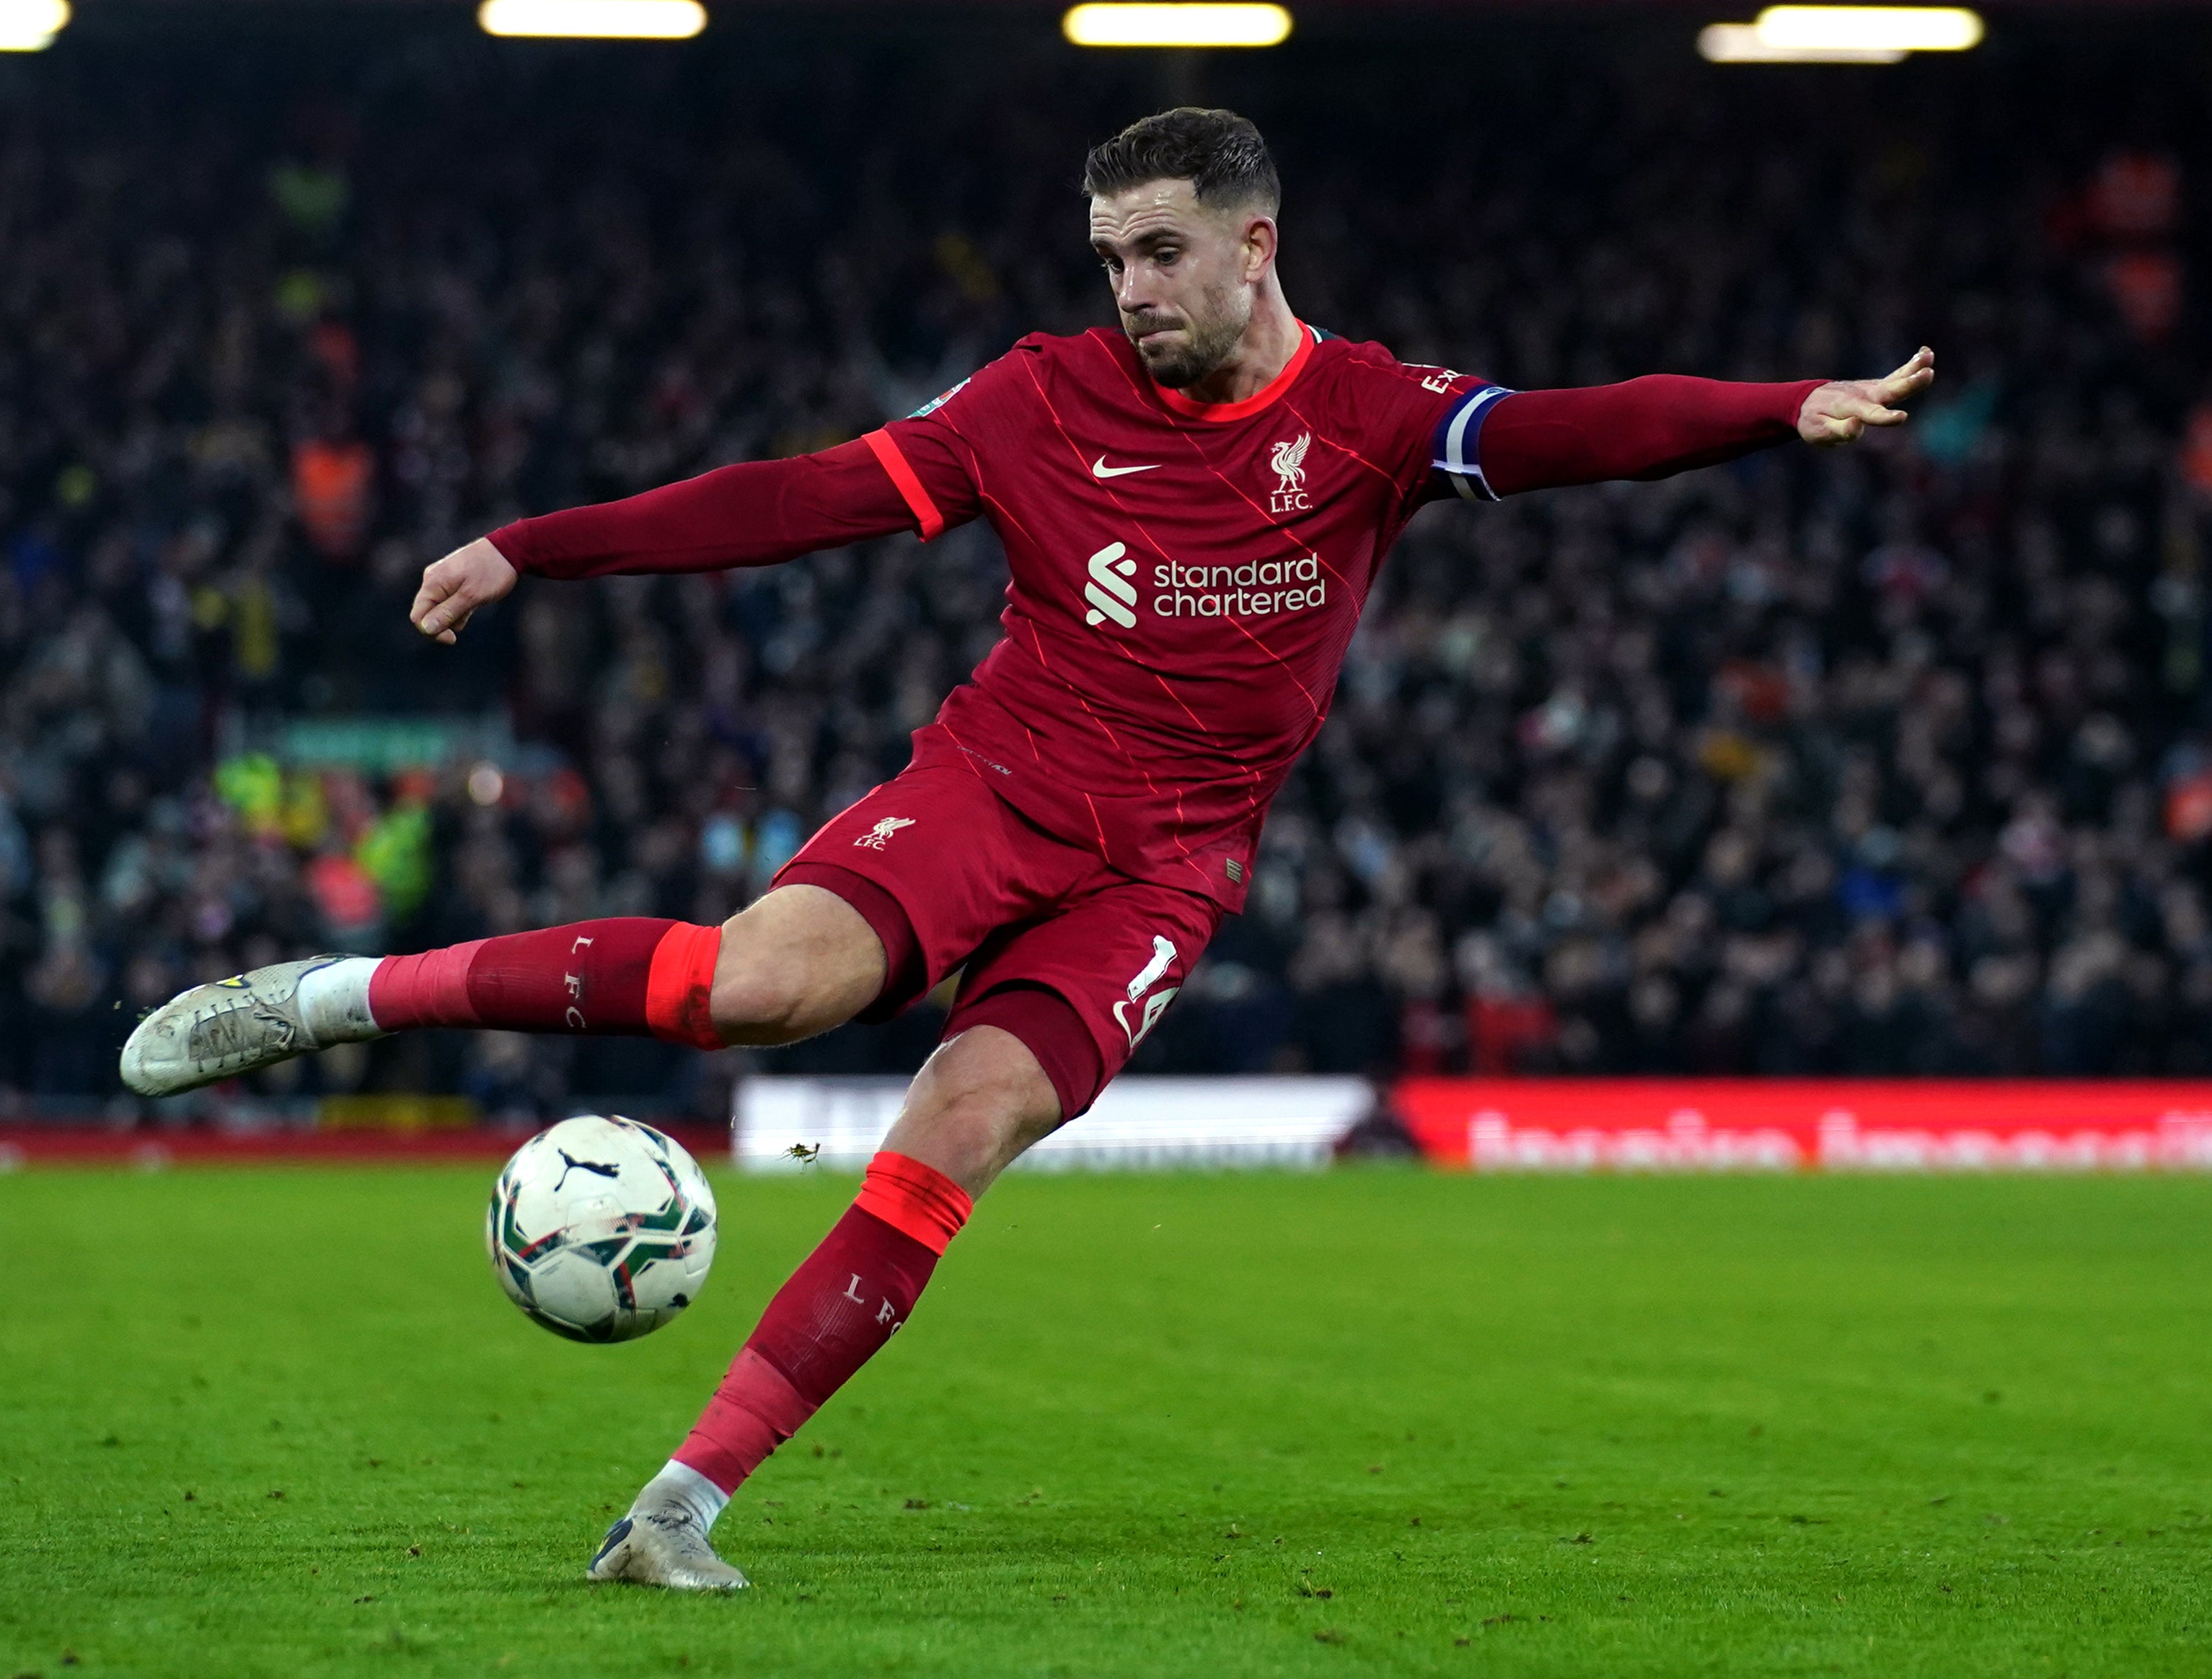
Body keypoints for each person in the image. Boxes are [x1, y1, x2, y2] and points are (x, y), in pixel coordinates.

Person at [119, 107, 1934, 1589]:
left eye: (1159, 253)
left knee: (957, 1133)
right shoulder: (1037, 401)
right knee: (748, 993)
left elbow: (1565, 431)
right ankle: (327, 996)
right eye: (1110, 260)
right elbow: (795, 502)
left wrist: (1780, 409)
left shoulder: (1368, 419)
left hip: (1169, 870)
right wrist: (541, 543)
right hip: (999, 784)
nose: (1131, 291)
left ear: (1253, 244)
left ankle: (678, 1508)